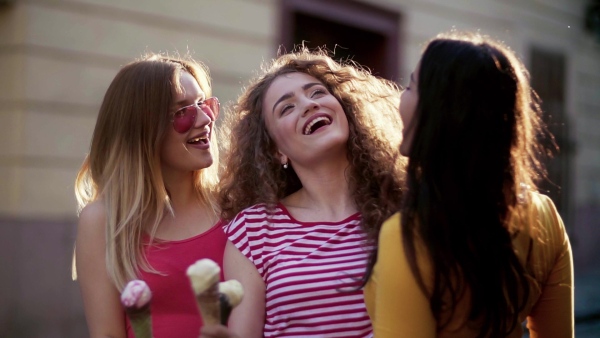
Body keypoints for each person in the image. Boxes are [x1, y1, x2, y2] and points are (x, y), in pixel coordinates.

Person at [364, 32, 574, 338]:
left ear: (439, 114)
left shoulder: (410, 236)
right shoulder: (544, 216)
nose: (401, 97)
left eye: (410, 86)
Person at [209, 48, 405, 337]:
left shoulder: (401, 203)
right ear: (276, 150)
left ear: (347, 109)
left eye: (316, 93)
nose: (308, 105)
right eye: (286, 108)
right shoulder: (253, 230)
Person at [74, 53, 226, 338]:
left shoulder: (234, 205)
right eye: (183, 112)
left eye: (203, 104)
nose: (205, 118)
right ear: (142, 128)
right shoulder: (102, 221)